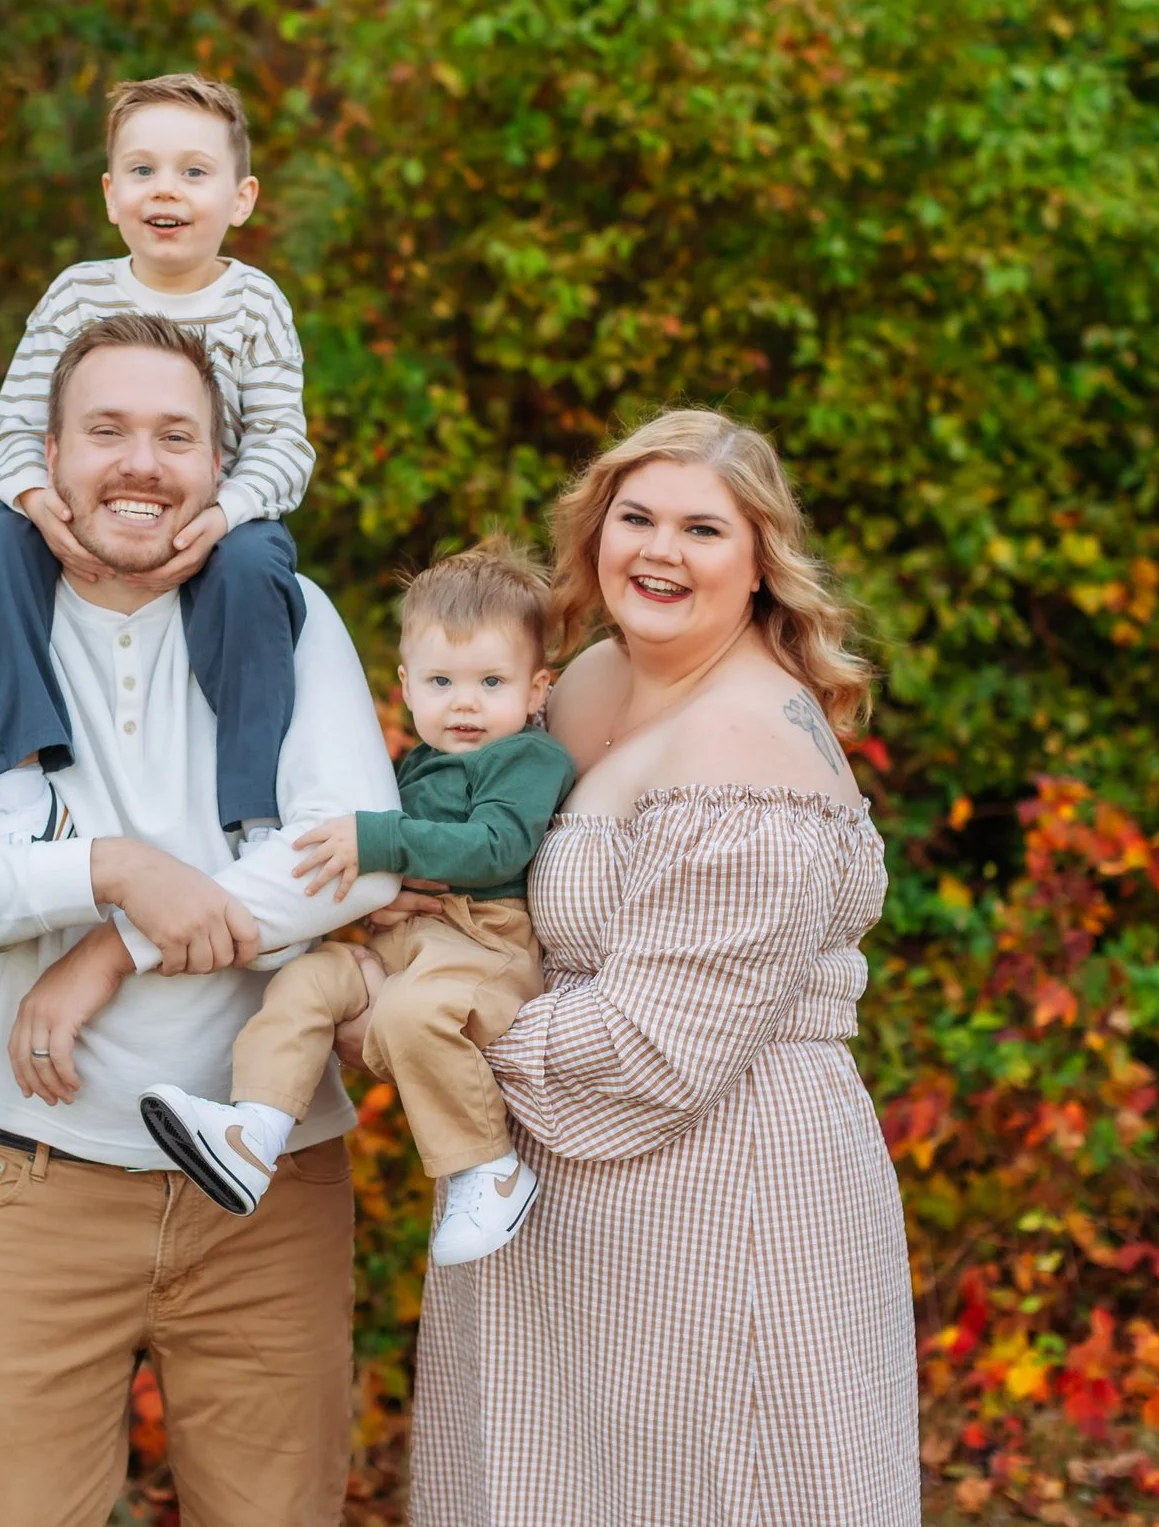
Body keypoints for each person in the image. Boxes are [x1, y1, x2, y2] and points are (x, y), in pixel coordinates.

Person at [0, 310, 397, 1527]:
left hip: (268, 1190)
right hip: (34, 1183)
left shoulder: (292, 611)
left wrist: (117, 939)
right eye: (107, 430)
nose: (141, 463)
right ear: (48, 452)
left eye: (174, 435)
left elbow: (358, 866)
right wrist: (103, 865)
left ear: (217, 464)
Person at [396, 408, 921, 1526]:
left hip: (717, 1185)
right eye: (634, 517)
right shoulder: (583, 683)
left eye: (702, 529)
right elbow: (495, 876)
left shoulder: (746, 744)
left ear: (759, 560)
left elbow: (655, 1045)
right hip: (557, 1196)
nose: (659, 551)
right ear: (594, 533)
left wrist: (425, 1024)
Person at [138, 541, 576, 1266]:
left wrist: (378, 839)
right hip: (402, 945)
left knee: (411, 1015)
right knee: (307, 980)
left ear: (536, 690)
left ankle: (488, 1167)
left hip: (483, 946)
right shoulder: (415, 762)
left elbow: (496, 846)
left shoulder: (528, 759)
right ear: (406, 685)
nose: (464, 702)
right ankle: (256, 1131)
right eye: (442, 680)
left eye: (491, 681)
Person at [0, 71, 313, 842]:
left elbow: (282, 443)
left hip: (207, 521)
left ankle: (255, 811)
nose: (164, 190)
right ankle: (21, 788)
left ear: (241, 198)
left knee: (255, 568)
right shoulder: (77, 295)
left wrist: (225, 516)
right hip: (84, 515)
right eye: (142, 171)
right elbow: (14, 429)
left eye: (194, 172)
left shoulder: (256, 306)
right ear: (111, 195)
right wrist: (39, 505)